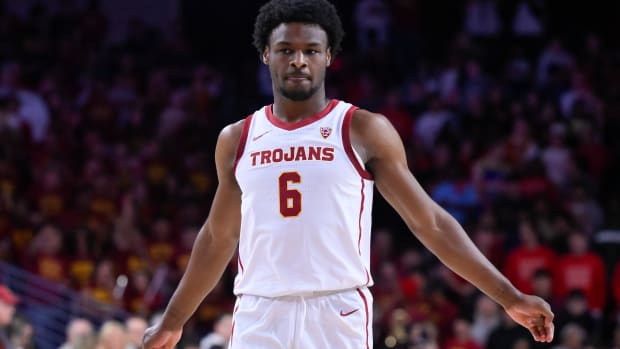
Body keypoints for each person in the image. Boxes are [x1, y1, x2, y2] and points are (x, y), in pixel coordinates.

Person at [142, 1, 555, 348]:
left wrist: (509, 296)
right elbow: (218, 236)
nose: (298, 60)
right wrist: (174, 319)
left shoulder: (362, 129)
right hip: (258, 311)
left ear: (329, 56)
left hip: (336, 310)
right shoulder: (237, 138)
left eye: (311, 50)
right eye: (285, 49)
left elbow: (428, 221)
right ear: (266, 54)